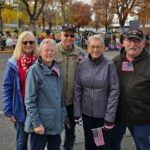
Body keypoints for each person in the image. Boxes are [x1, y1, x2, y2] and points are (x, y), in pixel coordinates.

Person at [73, 35, 120, 150]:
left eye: (98, 47)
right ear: (87, 48)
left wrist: (109, 117)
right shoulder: (82, 64)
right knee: (89, 144)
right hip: (86, 114)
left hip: (101, 116)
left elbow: (114, 91)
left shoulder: (109, 65)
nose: (95, 50)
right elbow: (77, 88)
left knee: (100, 145)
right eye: (92, 46)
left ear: (104, 48)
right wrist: (77, 112)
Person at [24, 38, 66, 150]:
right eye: (46, 50)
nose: (49, 53)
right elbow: (29, 101)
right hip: (40, 125)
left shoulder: (57, 68)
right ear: (40, 52)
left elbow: (60, 96)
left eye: (52, 50)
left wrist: (63, 114)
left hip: (55, 123)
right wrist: (37, 124)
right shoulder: (34, 71)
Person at [112, 29, 150, 150]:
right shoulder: (115, 62)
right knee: (112, 145)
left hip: (141, 118)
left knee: (143, 146)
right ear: (123, 42)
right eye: (130, 40)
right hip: (118, 116)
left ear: (143, 44)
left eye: (137, 41)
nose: (133, 44)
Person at [2, 31, 37, 150]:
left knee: (36, 141)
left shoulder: (39, 61)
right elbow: (7, 87)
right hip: (20, 108)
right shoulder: (13, 63)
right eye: (25, 42)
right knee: (22, 141)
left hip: (37, 108)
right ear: (20, 44)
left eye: (31, 42)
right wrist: (8, 110)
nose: (28, 45)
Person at [54, 23, 85, 150]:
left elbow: (85, 74)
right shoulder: (53, 50)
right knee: (54, 131)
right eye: (66, 34)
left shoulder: (80, 52)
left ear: (75, 37)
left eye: (72, 35)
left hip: (72, 101)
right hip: (55, 101)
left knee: (70, 131)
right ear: (60, 35)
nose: (69, 37)